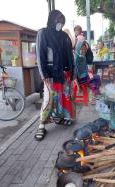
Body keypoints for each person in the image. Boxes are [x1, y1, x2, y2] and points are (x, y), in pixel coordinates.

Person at [35, 10, 75, 141]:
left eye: (62, 22)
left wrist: (71, 72)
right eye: (58, 21)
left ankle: (60, 118)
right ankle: (41, 125)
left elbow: (69, 54)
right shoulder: (43, 33)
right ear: (52, 20)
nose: (60, 24)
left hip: (63, 73)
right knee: (48, 98)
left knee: (63, 98)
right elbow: (40, 55)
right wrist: (44, 74)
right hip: (50, 74)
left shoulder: (63, 35)